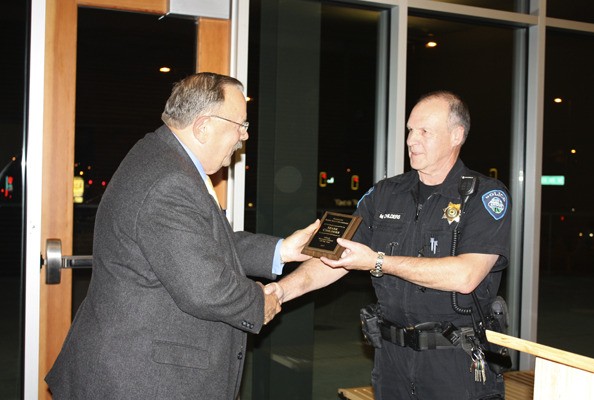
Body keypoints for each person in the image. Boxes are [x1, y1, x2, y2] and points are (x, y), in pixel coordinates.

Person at [45, 72, 319, 400]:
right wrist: (260, 303)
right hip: (137, 380)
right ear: (203, 127)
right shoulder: (169, 181)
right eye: (240, 125)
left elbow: (205, 244)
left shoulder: (161, 157)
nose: (244, 136)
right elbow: (206, 289)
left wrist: (282, 250)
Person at [268, 91, 511, 399]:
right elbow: (336, 256)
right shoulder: (385, 194)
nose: (411, 140)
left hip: (456, 363)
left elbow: (466, 276)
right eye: (410, 130)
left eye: (424, 131)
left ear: (456, 135)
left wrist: (378, 262)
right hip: (392, 361)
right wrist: (279, 292)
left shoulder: (483, 196)